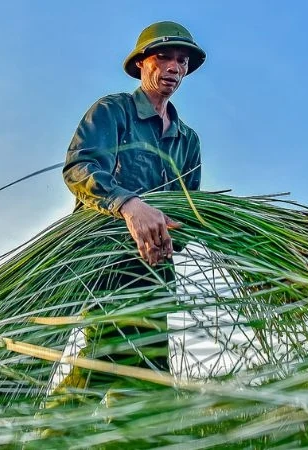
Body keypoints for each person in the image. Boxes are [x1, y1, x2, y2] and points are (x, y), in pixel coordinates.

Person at [56, 20, 206, 397]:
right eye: (164, 57)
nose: (174, 67)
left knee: (151, 376)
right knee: (105, 359)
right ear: (141, 62)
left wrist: (172, 233)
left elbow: (189, 208)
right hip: (106, 262)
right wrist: (129, 205)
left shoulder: (187, 141)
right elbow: (80, 167)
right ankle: (54, 425)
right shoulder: (113, 111)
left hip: (155, 272)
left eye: (182, 61)